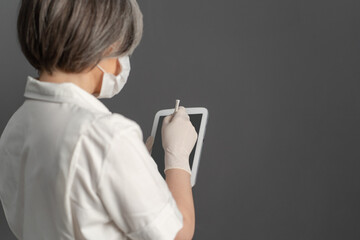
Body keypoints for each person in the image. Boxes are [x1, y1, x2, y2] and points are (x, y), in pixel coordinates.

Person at [0, 0, 198, 239]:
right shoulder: (107, 135)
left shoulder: (14, 128)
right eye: (123, 51)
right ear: (106, 45)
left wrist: (134, 165)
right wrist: (177, 157)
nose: (122, 62)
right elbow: (177, 234)